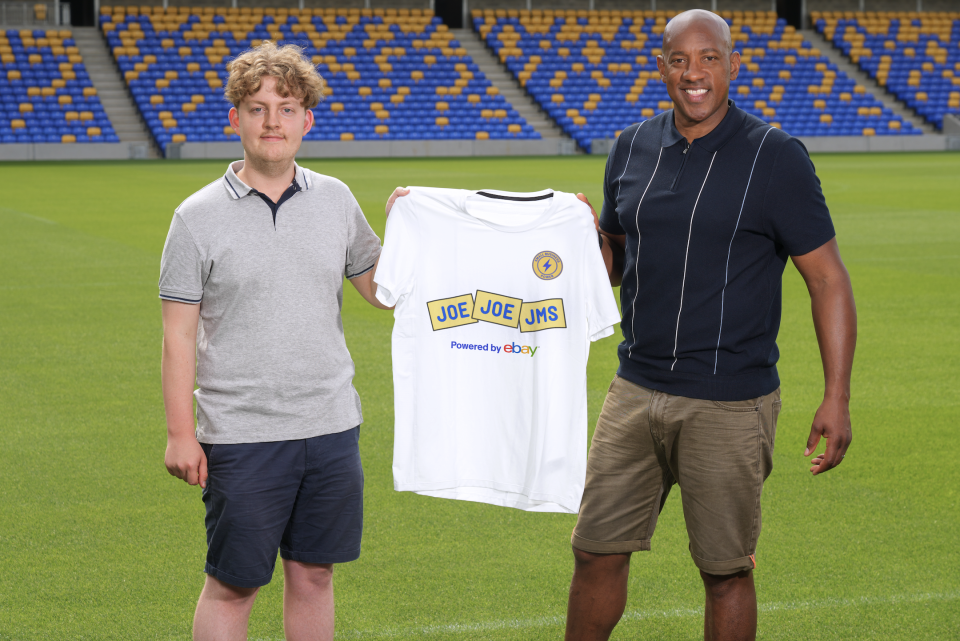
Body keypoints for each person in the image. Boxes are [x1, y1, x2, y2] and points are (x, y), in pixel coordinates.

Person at [564, 10, 856, 641]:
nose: (694, 74)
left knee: (724, 571)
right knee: (594, 550)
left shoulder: (775, 156)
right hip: (634, 389)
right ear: (662, 66)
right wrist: (586, 240)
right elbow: (614, 262)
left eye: (709, 59)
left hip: (729, 401)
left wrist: (837, 396)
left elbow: (828, 279)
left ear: (732, 64)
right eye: (680, 60)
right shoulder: (631, 146)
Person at [159, 42, 390, 641]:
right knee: (234, 585)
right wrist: (181, 433)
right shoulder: (195, 217)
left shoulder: (336, 198)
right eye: (258, 107)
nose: (272, 122)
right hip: (242, 432)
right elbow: (177, 335)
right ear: (234, 117)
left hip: (331, 424)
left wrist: (419, 225)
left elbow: (383, 289)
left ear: (307, 120)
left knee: (314, 574)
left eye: (286, 109)